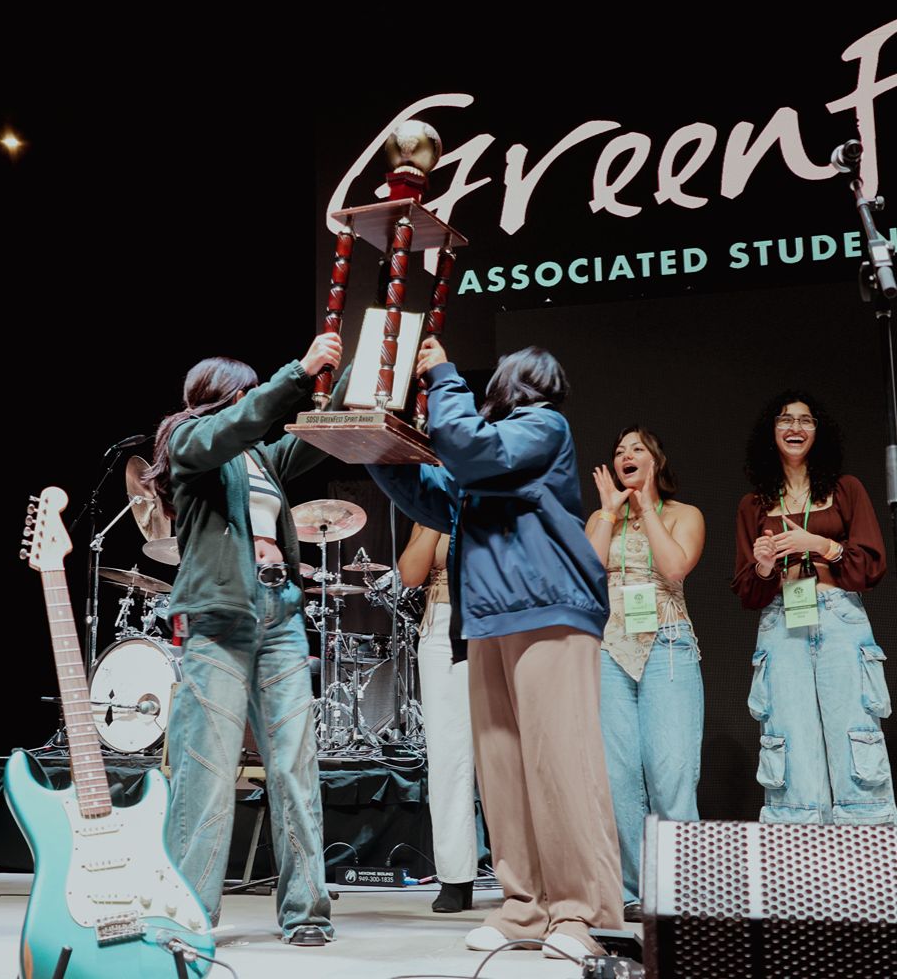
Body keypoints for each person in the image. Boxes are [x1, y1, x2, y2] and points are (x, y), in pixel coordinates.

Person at [368, 338, 622, 971]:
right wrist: (376, 443)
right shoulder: (487, 451)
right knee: (503, 769)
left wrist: (444, 376)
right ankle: (524, 905)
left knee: (560, 764)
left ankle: (583, 913)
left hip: (548, 610)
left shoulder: (541, 428)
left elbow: (475, 453)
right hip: (489, 620)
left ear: (516, 384)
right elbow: (433, 496)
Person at [146, 334, 346, 946]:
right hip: (220, 618)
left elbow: (314, 433)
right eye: (247, 388)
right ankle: (190, 914)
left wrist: (343, 379)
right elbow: (239, 424)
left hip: (280, 612)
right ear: (223, 394)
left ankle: (307, 912)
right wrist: (295, 372)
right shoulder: (189, 442)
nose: (255, 398)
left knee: (294, 766)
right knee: (206, 770)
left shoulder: (261, 460)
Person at [732, 390, 895, 825]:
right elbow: (748, 590)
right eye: (785, 420)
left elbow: (872, 563)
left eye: (805, 420)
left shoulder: (846, 489)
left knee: (854, 738)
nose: (795, 427)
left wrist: (821, 545)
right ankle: (801, 880)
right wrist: (765, 567)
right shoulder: (753, 505)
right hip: (782, 623)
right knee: (789, 741)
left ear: (818, 433)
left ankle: (866, 873)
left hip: (839, 616)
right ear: (772, 433)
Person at [585, 427, 705, 922]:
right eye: (618, 451)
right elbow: (586, 571)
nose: (626, 456)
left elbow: (675, 568)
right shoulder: (600, 516)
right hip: (611, 649)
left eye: (636, 449)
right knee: (618, 778)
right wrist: (611, 512)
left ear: (655, 459)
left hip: (668, 645)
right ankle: (634, 892)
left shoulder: (684, 514)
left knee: (671, 772)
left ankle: (682, 890)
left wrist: (647, 507)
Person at [398, 524, 476, 913]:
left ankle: (524, 877)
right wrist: (433, 518)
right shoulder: (432, 507)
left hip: (495, 619)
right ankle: (456, 877)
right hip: (442, 623)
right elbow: (410, 575)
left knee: (506, 757)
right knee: (448, 756)